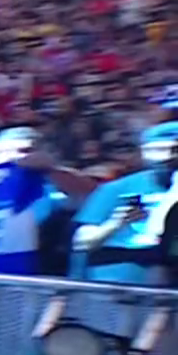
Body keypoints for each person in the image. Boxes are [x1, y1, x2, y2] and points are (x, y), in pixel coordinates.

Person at [72, 121, 178, 287]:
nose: (166, 157)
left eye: (175, 150)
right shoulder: (117, 188)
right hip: (117, 275)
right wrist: (116, 223)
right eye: (157, 150)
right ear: (143, 152)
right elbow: (82, 242)